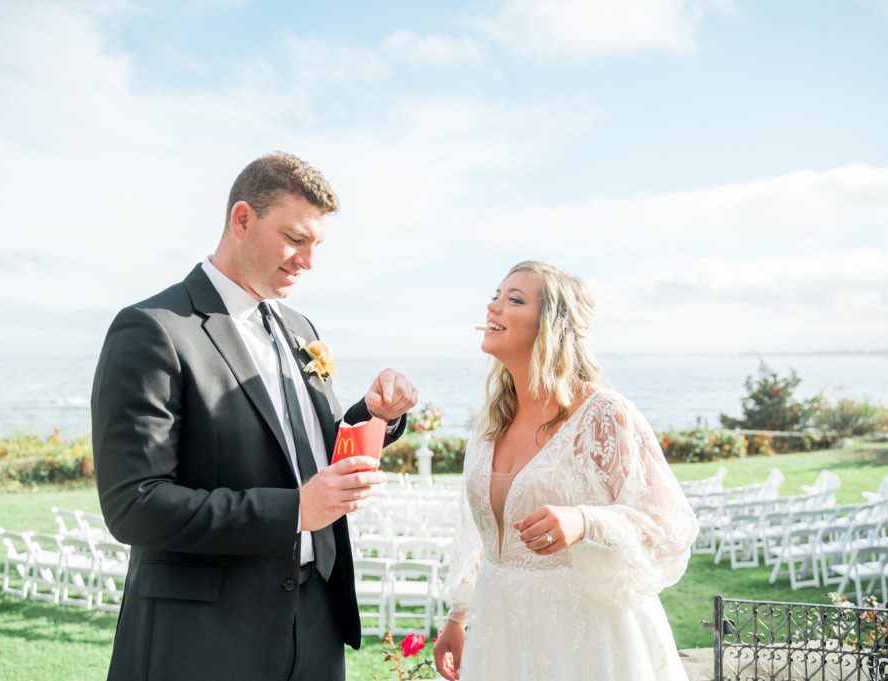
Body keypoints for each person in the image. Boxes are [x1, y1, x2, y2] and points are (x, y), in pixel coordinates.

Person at [91, 152, 417, 681]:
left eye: (317, 245)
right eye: (295, 238)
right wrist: (294, 511)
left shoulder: (299, 326)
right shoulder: (153, 329)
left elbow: (310, 448)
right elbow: (134, 505)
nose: (307, 261)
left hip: (312, 629)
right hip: (204, 642)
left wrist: (374, 415)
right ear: (242, 219)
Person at [433, 260, 698, 681]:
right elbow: (479, 532)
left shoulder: (604, 413)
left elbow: (672, 527)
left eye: (514, 300)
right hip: (501, 630)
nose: (493, 308)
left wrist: (586, 521)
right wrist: (458, 616)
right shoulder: (491, 422)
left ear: (552, 326)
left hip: (585, 637)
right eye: (495, 296)